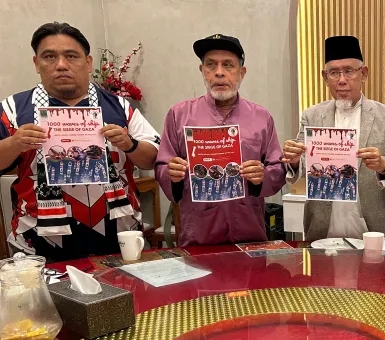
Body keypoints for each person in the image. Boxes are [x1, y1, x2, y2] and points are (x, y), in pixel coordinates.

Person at [0, 22, 160, 262]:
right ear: (36, 63)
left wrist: (130, 145)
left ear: (88, 62)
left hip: (118, 238)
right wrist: (14, 143)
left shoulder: (119, 106)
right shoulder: (13, 109)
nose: (61, 65)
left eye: (71, 56)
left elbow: (152, 157)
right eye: (49, 56)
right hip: (38, 243)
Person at [155, 34, 285, 246]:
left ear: (242, 72)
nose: (219, 72)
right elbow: (162, 165)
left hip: (250, 234)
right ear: (202, 70)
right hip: (198, 236)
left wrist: (262, 176)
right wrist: (171, 173)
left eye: (228, 65)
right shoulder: (179, 115)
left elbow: (277, 168)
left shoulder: (261, 117)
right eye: (211, 65)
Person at [282, 35, 385, 241]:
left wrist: (383, 164)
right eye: (334, 73)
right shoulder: (312, 115)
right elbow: (301, 164)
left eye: (349, 71)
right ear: (325, 77)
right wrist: (294, 161)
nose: (341, 80)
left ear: (363, 73)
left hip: (372, 225)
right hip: (322, 225)